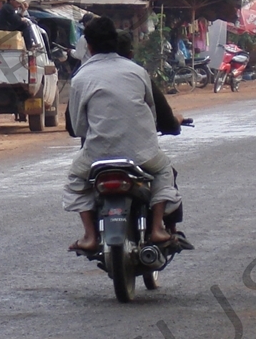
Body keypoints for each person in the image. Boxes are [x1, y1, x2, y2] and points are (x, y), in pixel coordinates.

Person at [64, 15, 190, 254]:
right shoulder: (137, 72)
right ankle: (157, 229)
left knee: (75, 180)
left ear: (88, 46)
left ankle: (90, 236)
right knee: (163, 171)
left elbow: (78, 128)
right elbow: (152, 114)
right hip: (142, 153)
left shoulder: (80, 78)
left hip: (96, 156)